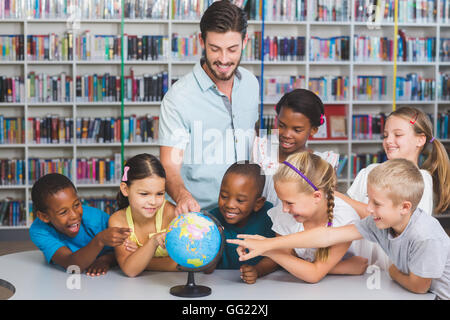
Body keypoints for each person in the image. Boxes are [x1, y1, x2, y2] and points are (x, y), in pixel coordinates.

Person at [228, 159, 450, 299]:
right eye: (369, 201)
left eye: (377, 204)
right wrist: (267, 244)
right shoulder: (379, 222)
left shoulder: (425, 236)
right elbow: (325, 235)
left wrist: (392, 271)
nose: (368, 209)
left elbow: (419, 287)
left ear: (404, 207)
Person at [159, 0, 259, 214]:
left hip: (245, 211)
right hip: (200, 214)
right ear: (202, 41)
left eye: (232, 49)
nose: (224, 59)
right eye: (215, 49)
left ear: (245, 41)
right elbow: (169, 166)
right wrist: (182, 196)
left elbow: (252, 137)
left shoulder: (251, 83)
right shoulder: (178, 98)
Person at [337, 106, 450, 269]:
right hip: (360, 267)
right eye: (385, 135)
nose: (388, 141)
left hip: (393, 271)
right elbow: (346, 214)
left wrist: (337, 196)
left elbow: (394, 223)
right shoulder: (368, 172)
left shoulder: (421, 180)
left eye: (398, 135)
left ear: (420, 140)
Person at [232, 152, 369, 284]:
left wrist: (268, 249)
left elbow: (314, 274)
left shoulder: (344, 218)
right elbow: (287, 263)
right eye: (282, 201)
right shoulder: (286, 215)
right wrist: (341, 268)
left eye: (289, 203)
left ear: (316, 196)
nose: (284, 209)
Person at [29, 173, 131, 276]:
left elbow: (127, 251)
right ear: (44, 217)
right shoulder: (39, 230)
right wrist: (99, 240)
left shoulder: (97, 220)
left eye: (76, 205)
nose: (74, 215)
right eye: (63, 212)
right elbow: (72, 265)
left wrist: (105, 260)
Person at [252, 88, 339, 207]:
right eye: (281, 125)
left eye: (297, 130)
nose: (286, 135)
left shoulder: (322, 165)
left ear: (313, 130)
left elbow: (328, 208)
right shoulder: (260, 151)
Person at [109, 153, 178, 277]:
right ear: (125, 189)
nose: (153, 202)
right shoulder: (117, 221)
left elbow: (181, 264)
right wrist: (153, 241)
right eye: (144, 194)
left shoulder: (171, 214)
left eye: (160, 194)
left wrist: (140, 256)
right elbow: (129, 269)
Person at [207, 161, 276, 284]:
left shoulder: (269, 215)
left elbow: (276, 256)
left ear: (258, 203)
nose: (229, 205)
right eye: (224, 196)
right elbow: (207, 270)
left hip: (262, 288)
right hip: (219, 285)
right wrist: (215, 244)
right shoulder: (211, 219)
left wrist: (257, 270)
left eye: (240, 200)